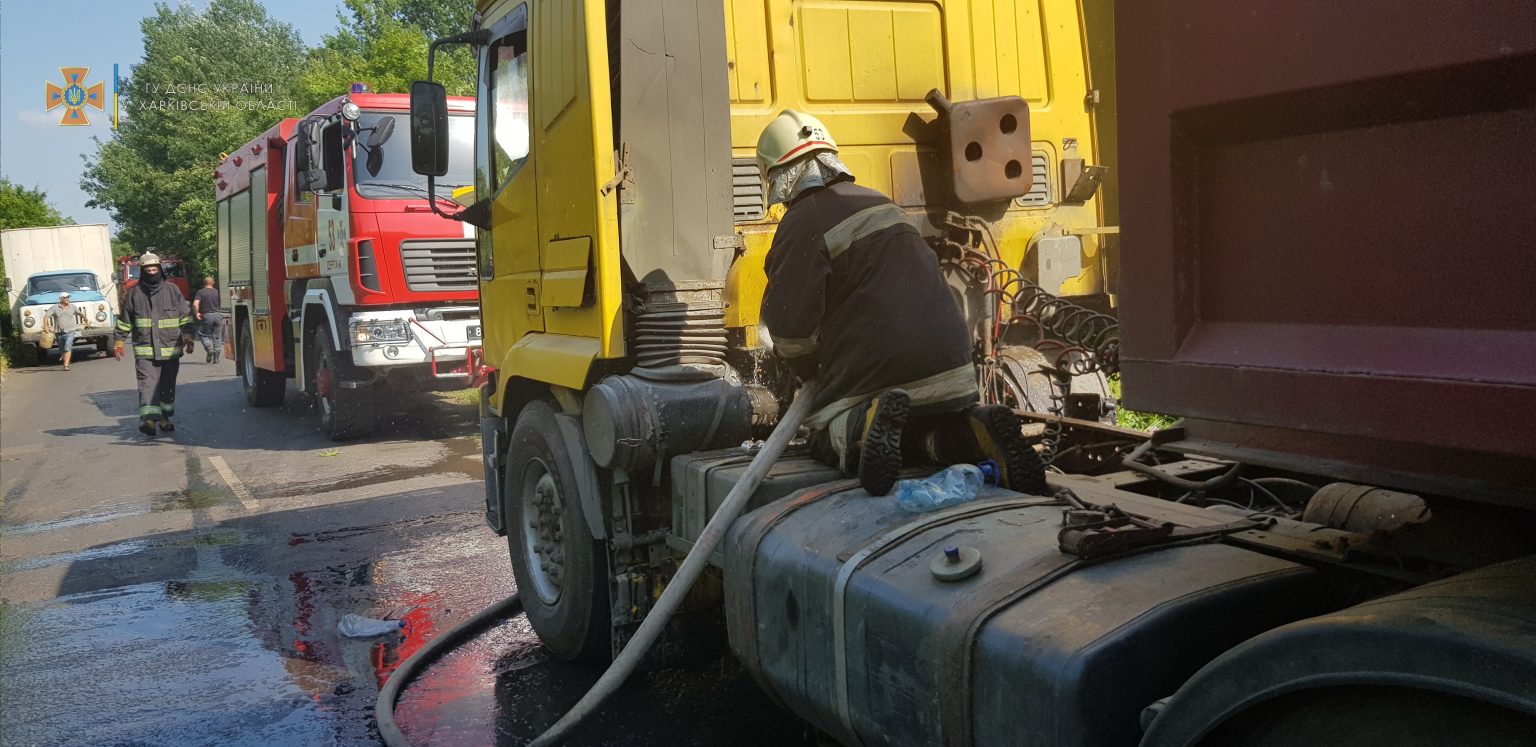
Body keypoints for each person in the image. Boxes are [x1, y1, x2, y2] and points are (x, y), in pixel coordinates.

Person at [755, 110, 1045, 497]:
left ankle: (861, 427)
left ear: (776, 176)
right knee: (925, 433)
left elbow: (789, 331)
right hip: (953, 373)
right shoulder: (881, 203)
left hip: (882, 377)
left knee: (824, 437)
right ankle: (973, 431)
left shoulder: (801, 222)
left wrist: (810, 370)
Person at [114, 252, 195, 436]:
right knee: (148, 384)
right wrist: (119, 341)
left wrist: (189, 337)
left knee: (167, 386)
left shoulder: (172, 290)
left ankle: (165, 418)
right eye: (148, 270)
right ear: (142, 271)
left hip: (171, 349)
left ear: (160, 270)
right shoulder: (135, 293)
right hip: (145, 352)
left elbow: (185, 317)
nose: (152, 272)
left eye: (154, 269)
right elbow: (125, 320)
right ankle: (149, 420)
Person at [44, 291, 82, 370]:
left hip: (71, 331)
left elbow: (79, 313)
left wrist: (85, 319)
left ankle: (66, 365)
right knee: (62, 349)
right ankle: (64, 358)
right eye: (66, 297)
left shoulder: (72, 306)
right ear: (61, 299)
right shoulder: (55, 307)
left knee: (67, 346)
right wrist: (46, 326)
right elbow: (46, 316)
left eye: (68, 297)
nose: (68, 299)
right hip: (59, 332)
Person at [192, 276, 224, 363]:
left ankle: (209, 348)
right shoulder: (218, 292)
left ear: (204, 283)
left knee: (203, 334)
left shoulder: (200, 292)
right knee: (217, 337)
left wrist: (196, 313)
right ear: (213, 282)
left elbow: (195, 304)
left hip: (206, 316)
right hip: (218, 316)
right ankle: (216, 357)